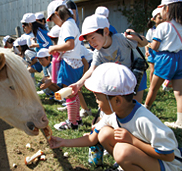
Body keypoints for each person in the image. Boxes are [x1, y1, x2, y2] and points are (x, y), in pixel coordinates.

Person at [49, 62, 182, 171]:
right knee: (104, 134)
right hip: (146, 158)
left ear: (117, 101)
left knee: (122, 151)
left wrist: (132, 141)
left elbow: (168, 155)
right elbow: (92, 139)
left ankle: (127, 163)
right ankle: (125, 166)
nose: (96, 102)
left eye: (97, 98)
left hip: (168, 166)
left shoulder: (144, 119)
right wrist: (64, 142)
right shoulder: (113, 113)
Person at [70, 14, 148, 103]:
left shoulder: (121, 39)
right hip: (120, 80)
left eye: (93, 38)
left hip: (136, 74)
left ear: (106, 32)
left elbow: (144, 43)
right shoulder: (98, 53)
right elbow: (92, 70)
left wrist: (136, 37)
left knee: (134, 105)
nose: (91, 43)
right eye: (88, 41)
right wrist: (78, 84)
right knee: (122, 106)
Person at [144, 0, 182, 129]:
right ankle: (180, 121)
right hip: (180, 57)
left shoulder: (164, 26)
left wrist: (145, 44)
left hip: (166, 58)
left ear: (167, 9)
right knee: (179, 92)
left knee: (153, 88)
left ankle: (145, 109)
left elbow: (154, 46)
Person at [47, 0, 84, 130]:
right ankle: (77, 119)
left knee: (68, 93)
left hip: (70, 62)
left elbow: (70, 45)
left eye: (52, 19)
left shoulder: (67, 25)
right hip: (75, 62)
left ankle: (71, 122)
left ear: (57, 14)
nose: (53, 22)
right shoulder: (71, 23)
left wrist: (54, 48)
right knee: (74, 92)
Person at [145, 8, 163, 83]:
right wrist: (147, 51)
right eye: (160, 18)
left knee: (161, 69)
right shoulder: (151, 31)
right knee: (153, 70)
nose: (162, 19)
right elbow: (146, 42)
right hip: (153, 53)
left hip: (162, 53)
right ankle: (152, 85)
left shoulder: (165, 29)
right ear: (153, 19)